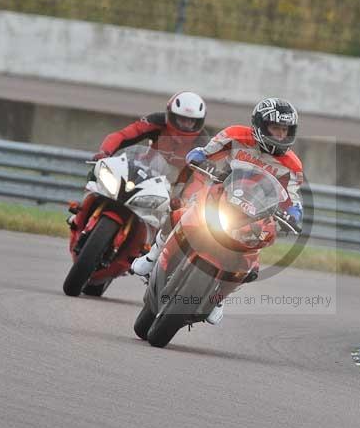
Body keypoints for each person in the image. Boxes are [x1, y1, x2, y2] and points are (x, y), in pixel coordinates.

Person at [131, 97, 305, 325]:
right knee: (180, 210)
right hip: (221, 193)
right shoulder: (235, 134)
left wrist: (294, 213)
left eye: (285, 130)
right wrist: (200, 156)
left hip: (255, 213)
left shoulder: (292, 165)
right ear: (259, 125)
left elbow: (293, 197)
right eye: (275, 128)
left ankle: (218, 296)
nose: (280, 135)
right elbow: (208, 150)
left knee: (250, 263)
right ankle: (154, 256)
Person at [68, 91, 208, 230]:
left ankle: (154, 247)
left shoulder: (203, 142)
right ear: (171, 115)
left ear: (199, 122)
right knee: (99, 171)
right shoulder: (157, 121)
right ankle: (79, 214)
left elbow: (199, 177)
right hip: (145, 169)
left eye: (191, 121)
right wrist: (104, 152)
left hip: (173, 186)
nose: (185, 125)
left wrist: (184, 199)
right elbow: (123, 135)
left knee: (175, 220)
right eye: (181, 119)